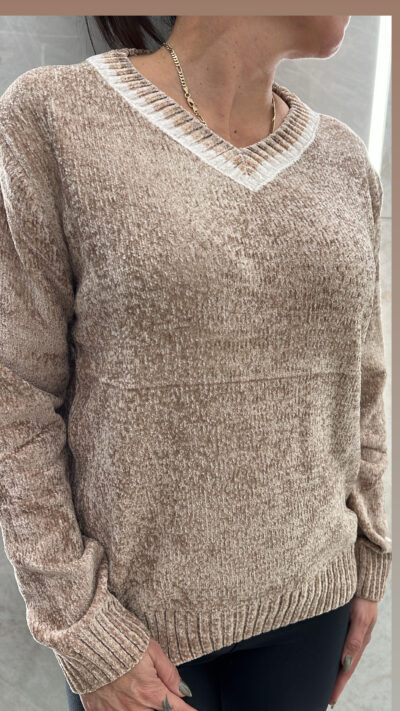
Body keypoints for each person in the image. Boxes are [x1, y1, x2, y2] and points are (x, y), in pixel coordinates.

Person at [0, 14, 392, 711]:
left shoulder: (344, 162)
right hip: (134, 633)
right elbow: (15, 393)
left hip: (314, 606)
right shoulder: (56, 118)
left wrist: (370, 552)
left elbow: (363, 382)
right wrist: (80, 624)